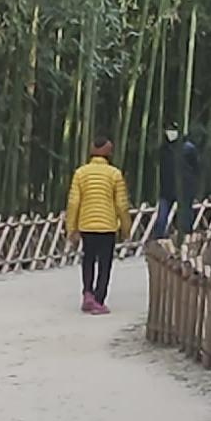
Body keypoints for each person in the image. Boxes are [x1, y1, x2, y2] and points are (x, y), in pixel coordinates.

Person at [65, 134, 131, 313]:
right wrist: (126, 228)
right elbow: (121, 205)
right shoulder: (114, 174)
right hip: (107, 226)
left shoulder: (80, 173)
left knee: (88, 259)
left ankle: (87, 293)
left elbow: (73, 203)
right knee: (105, 263)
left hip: (86, 225)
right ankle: (99, 300)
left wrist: (71, 228)